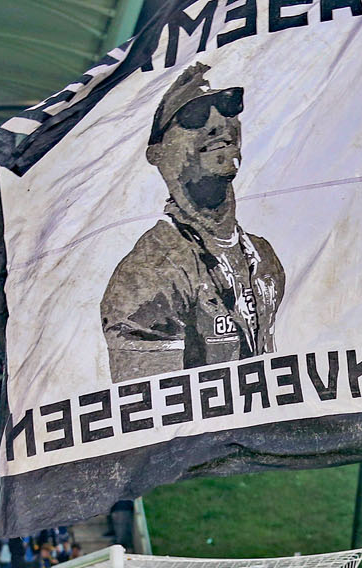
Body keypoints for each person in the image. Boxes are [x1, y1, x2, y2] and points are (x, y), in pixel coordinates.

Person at [102, 63, 285, 380]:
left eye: (229, 106)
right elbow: (153, 413)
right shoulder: (148, 273)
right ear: (157, 154)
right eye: (194, 116)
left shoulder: (263, 256)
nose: (219, 123)